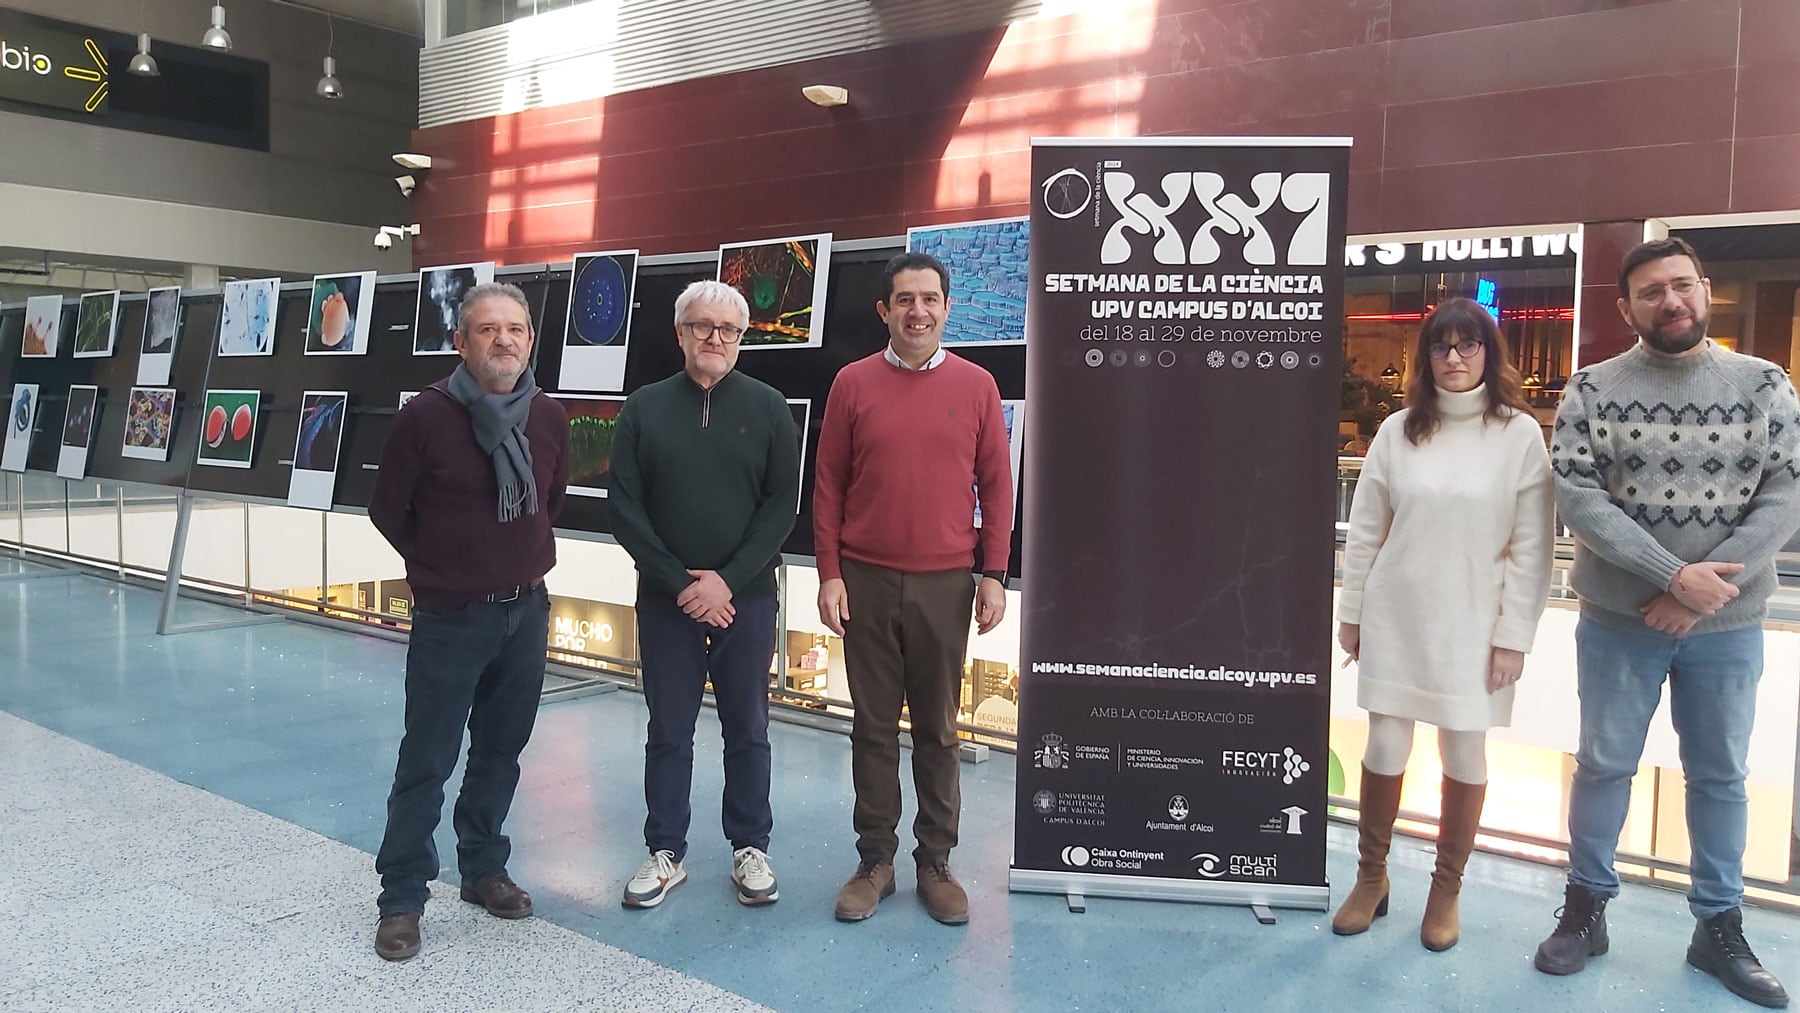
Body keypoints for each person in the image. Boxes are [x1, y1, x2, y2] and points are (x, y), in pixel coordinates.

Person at [1537, 236, 1798, 1009]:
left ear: (1706, 289)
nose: (1670, 301)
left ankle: (1717, 923)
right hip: (1619, 618)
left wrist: (1697, 591)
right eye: (1651, 293)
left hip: (1727, 624)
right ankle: (1586, 907)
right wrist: (1670, 576)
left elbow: (1786, 494)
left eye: (1681, 286)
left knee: (1720, 776)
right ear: (1626, 309)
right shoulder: (1591, 387)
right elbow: (1579, 495)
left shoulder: (1763, 384)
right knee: (1603, 764)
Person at [1333, 297, 1554, 951]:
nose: (1454, 358)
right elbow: (1366, 533)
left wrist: (1515, 634)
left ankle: (1445, 888)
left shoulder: (1517, 434)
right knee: (1384, 747)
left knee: (1464, 748)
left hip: (1474, 622)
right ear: (1424, 357)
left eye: (1468, 345)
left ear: (1489, 352)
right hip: (1397, 615)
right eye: (1441, 346)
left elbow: (1533, 548)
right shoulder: (1400, 431)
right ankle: (1371, 878)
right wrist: (1352, 615)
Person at [366, 282, 569, 962]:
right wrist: (446, 567)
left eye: (515, 329)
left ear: (530, 341)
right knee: (426, 758)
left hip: (527, 610)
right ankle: (401, 897)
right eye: (488, 329)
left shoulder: (546, 416)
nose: (504, 340)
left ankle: (482, 868)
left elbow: (550, 500)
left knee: (500, 752)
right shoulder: (424, 417)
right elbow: (389, 510)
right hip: (451, 616)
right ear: (461, 341)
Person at [813, 251, 1014, 926]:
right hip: (865, 579)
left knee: (938, 728)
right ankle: (876, 860)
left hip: (947, 583)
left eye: (930, 299)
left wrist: (994, 572)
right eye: (905, 300)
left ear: (947, 307)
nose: (918, 311)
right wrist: (830, 573)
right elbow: (830, 483)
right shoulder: (850, 383)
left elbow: (997, 485)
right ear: (884, 311)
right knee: (871, 727)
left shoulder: (979, 385)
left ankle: (935, 860)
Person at [608, 280, 799, 909]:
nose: (714, 338)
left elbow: (782, 507)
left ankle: (751, 846)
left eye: (728, 330)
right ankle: (666, 851)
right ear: (680, 332)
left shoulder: (770, 407)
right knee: (668, 729)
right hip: (668, 601)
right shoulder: (644, 407)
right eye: (701, 326)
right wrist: (682, 584)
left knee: (749, 728)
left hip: (747, 598)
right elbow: (625, 509)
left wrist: (727, 581)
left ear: (742, 339)